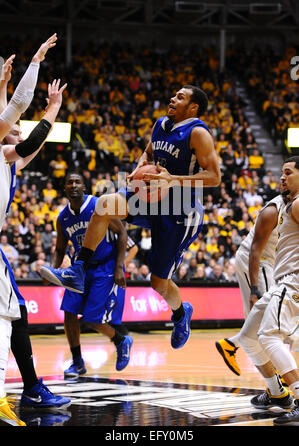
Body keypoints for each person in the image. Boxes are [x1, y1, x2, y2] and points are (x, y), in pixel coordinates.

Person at [41, 84, 221, 350]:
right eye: (174, 94)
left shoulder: (197, 133)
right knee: (103, 205)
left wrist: (173, 180)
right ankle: (78, 270)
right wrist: (138, 168)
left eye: (180, 97)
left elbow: (214, 176)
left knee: (158, 282)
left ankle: (181, 313)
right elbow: (149, 152)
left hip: (180, 209)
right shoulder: (161, 124)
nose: (172, 98)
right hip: (149, 195)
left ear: (193, 108)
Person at [0, 53, 70, 426]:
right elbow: (18, 115)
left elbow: (29, 146)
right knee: (10, 314)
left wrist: (2, 83)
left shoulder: (7, 156)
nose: (18, 129)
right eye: (13, 127)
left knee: (16, 312)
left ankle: (29, 387)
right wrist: (50, 102)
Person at [48, 172, 132, 377]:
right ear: (65, 188)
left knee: (92, 319)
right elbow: (60, 249)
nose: (74, 185)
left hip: (105, 266)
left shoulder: (97, 205)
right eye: (70, 182)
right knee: (68, 312)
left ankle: (121, 340)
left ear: (84, 187)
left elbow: (122, 233)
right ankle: (77, 362)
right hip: (80, 268)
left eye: (77, 182)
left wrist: (119, 266)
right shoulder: (63, 218)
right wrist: (53, 269)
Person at [235, 157, 299, 425]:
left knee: (269, 335)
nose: (282, 177)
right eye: (281, 172)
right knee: (249, 337)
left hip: (291, 280)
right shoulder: (284, 205)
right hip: (280, 281)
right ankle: (277, 394)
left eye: (288, 172)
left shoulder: (296, 204)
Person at [215, 189, 286, 376]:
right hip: (256, 262)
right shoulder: (276, 208)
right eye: (283, 173)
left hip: (265, 263)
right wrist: (255, 289)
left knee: (260, 322)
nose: (283, 179)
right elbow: (256, 250)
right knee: (270, 319)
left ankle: (231, 345)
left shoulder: (291, 206)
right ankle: (278, 373)